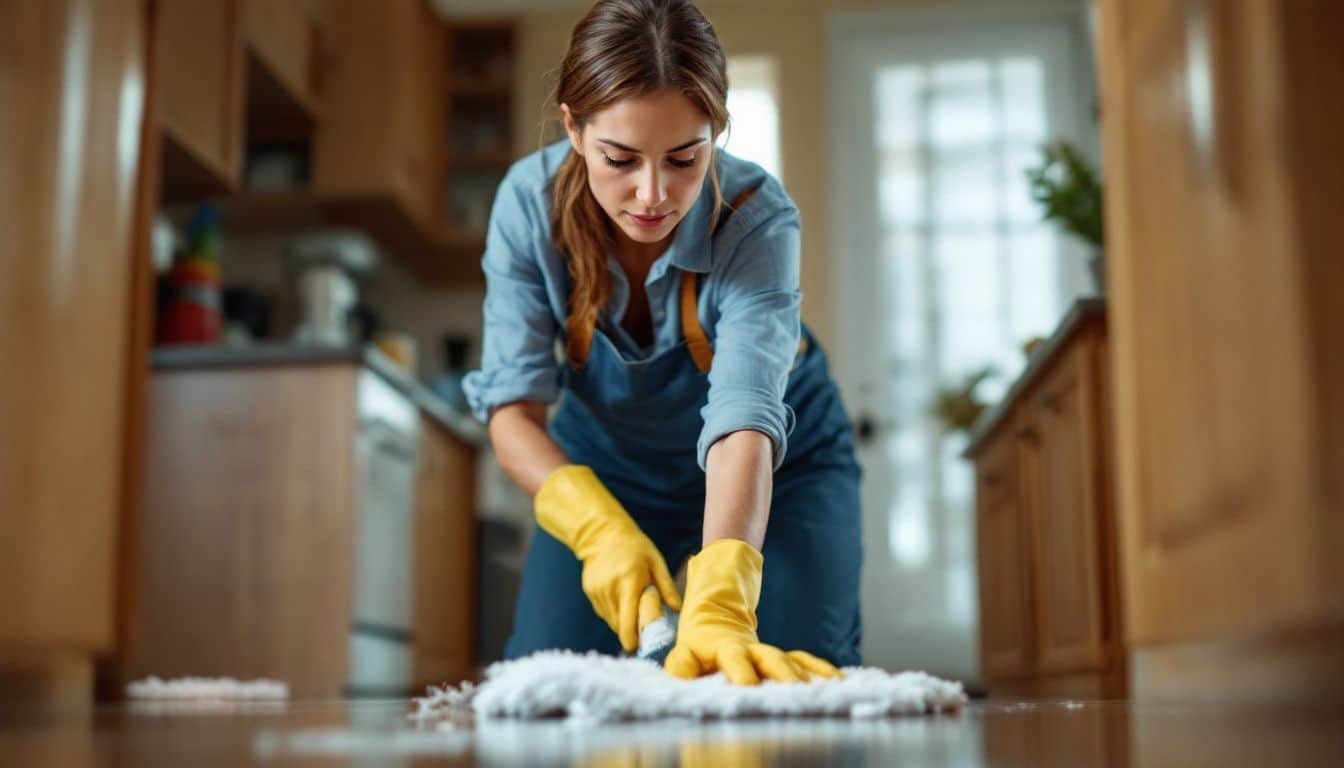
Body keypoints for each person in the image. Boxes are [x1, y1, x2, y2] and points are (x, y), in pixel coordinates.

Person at [463, 0, 862, 686]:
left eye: (684, 158)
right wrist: (596, 531)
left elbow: (743, 414)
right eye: (620, 159)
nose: (652, 194)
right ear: (573, 127)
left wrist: (724, 594)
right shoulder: (528, 207)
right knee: (549, 686)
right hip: (608, 473)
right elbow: (512, 414)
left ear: (718, 133)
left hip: (778, 468)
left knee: (795, 681)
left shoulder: (756, 219)